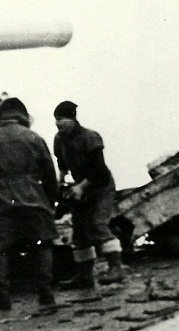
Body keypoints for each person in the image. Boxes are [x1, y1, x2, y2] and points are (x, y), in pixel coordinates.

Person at [0, 97, 59, 310]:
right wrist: (50, 199)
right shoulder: (35, 138)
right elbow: (49, 173)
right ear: (22, 116)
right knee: (42, 242)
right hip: (34, 195)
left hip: (2, 199)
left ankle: (2, 297)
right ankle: (45, 293)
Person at [53, 101, 126, 289]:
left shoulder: (90, 137)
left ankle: (116, 268)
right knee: (79, 230)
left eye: (61, 119)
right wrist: (61, 181)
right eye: (55, 120)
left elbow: (99, 170)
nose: (57, 124)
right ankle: (84, 275)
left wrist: (81, 187)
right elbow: (62, 162)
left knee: (98, 223)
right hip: (80, 187)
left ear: (72, 119)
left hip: (101, 186)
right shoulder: (59, 139)